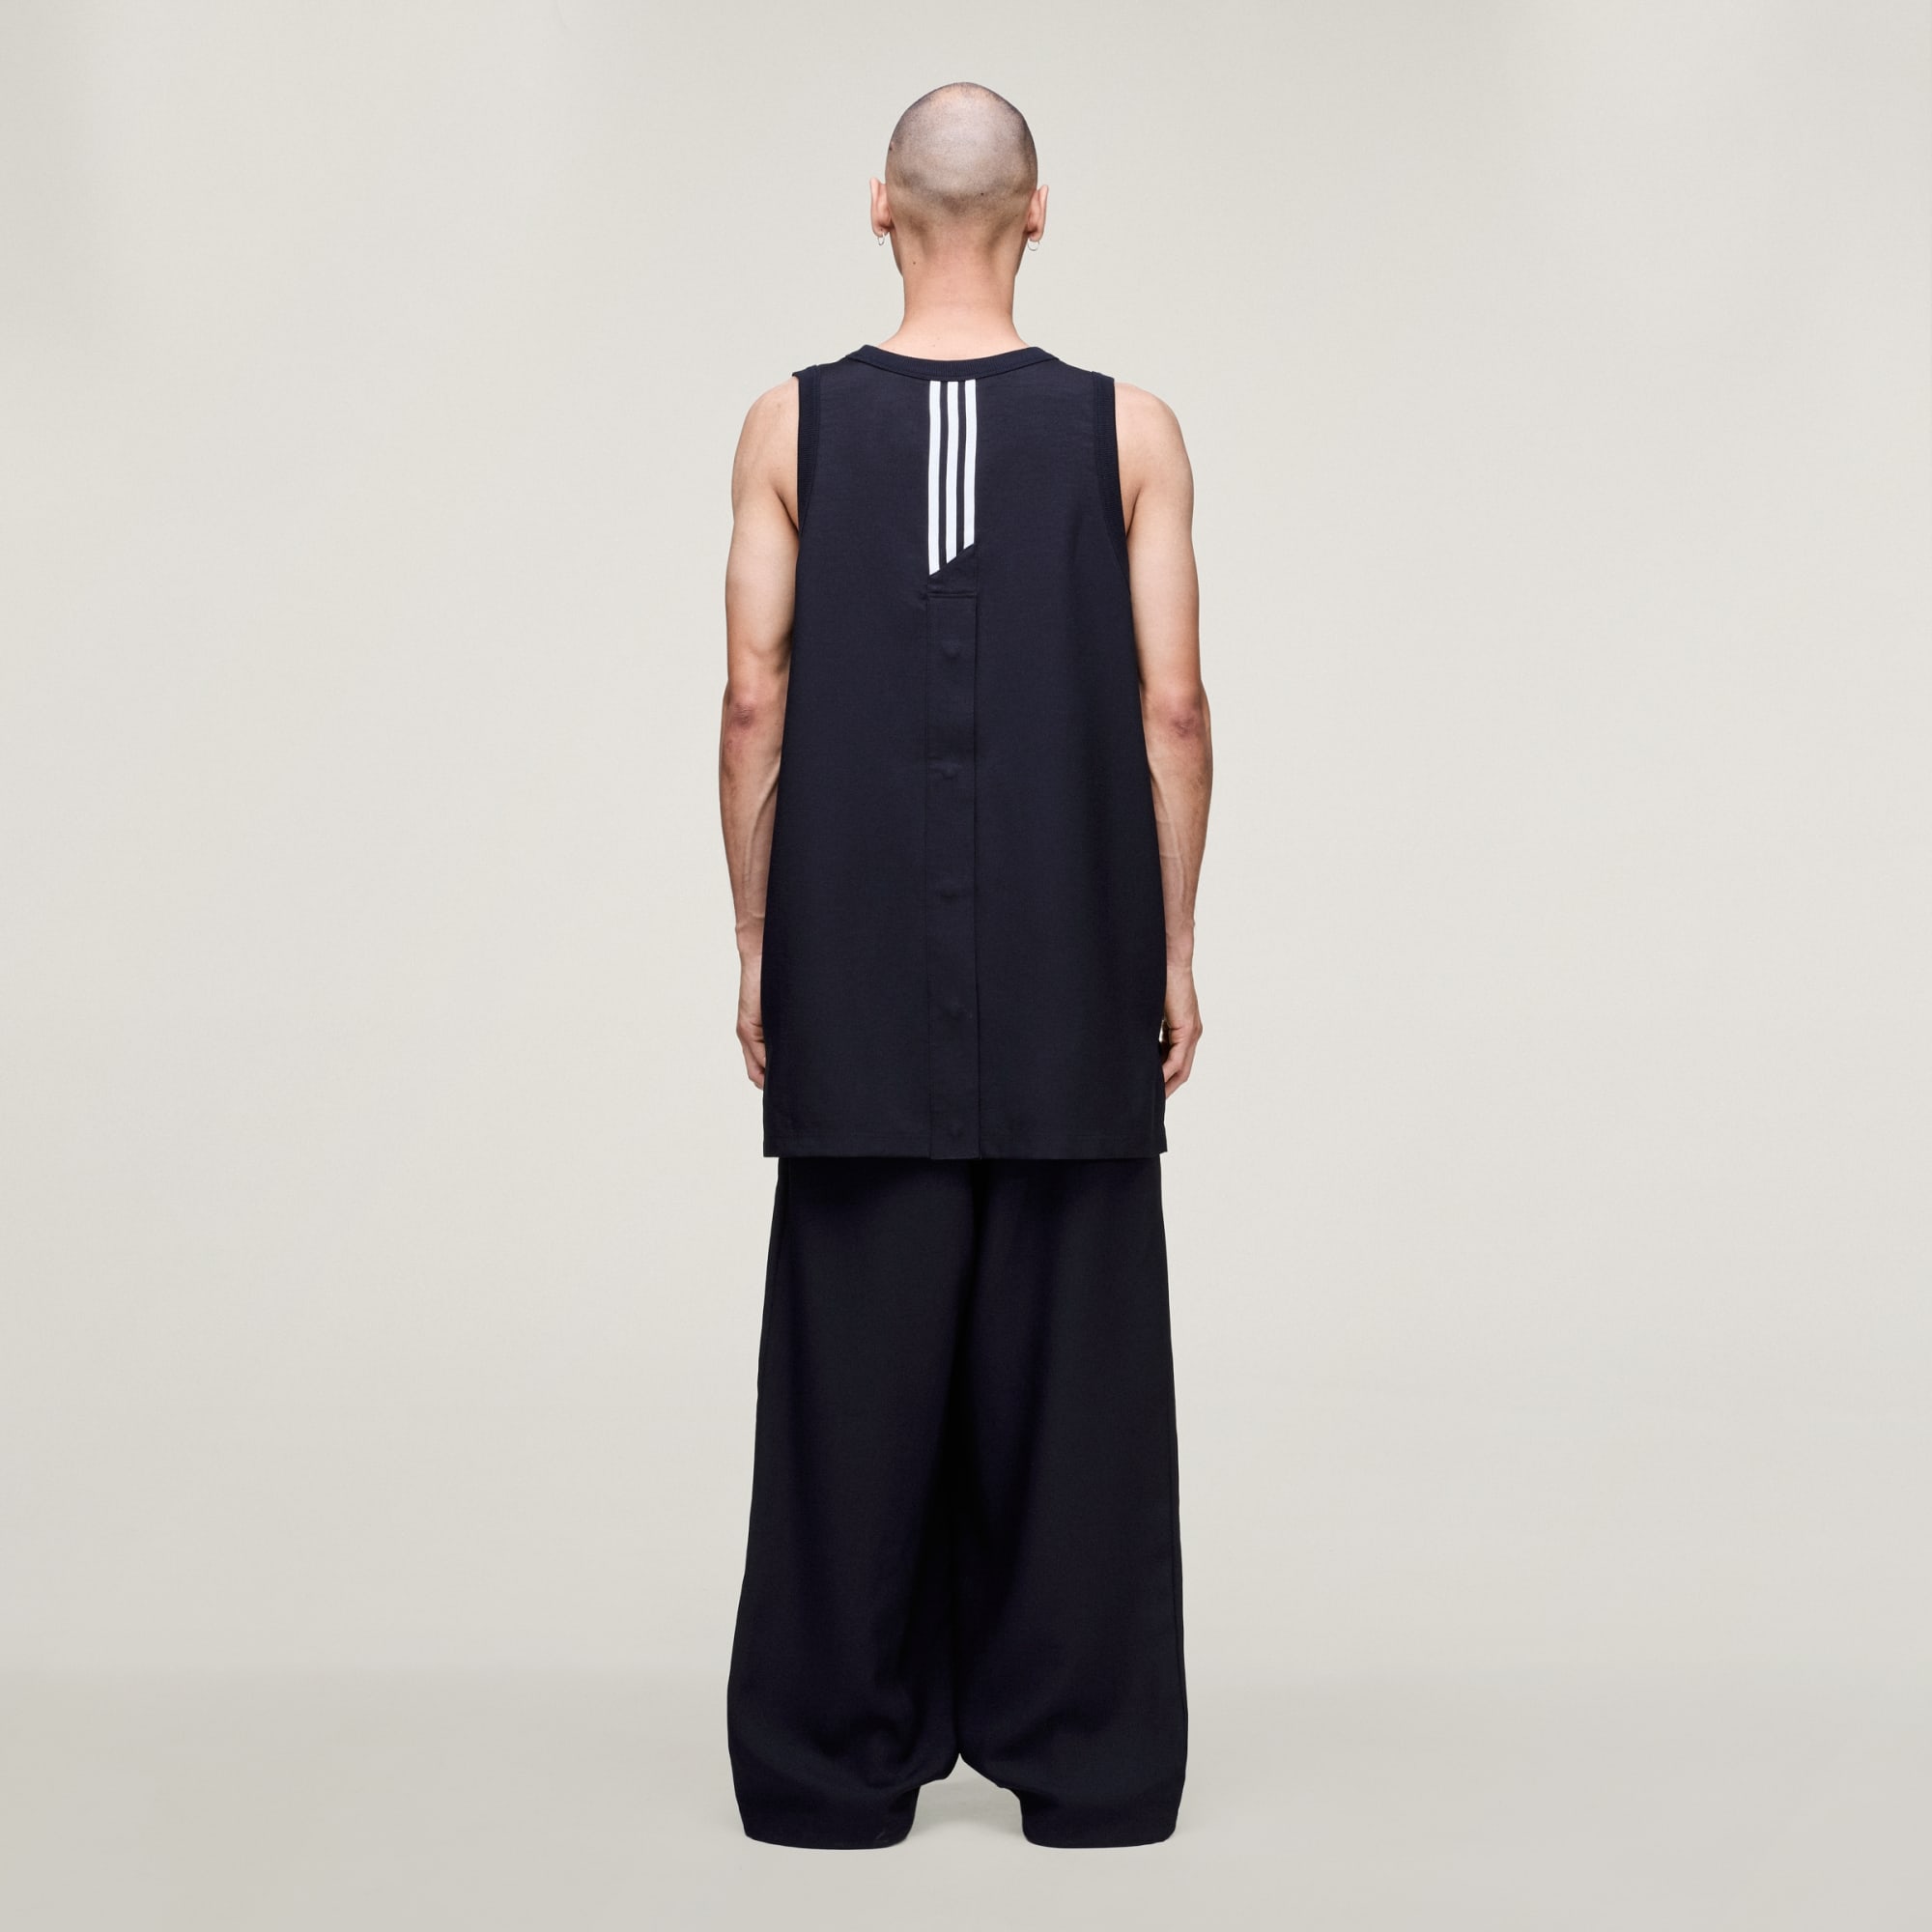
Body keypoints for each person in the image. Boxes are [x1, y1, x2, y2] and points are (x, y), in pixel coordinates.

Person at [717, 80, 1212, 1851]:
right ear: (1039, 213)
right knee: (1077, 1386)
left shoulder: (790, 424)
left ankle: (829, 1776)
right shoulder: (1130, 430)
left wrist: (760, 938)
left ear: (878, 206)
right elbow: (1171, 708)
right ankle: (1091, 1774)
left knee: (849, 1380)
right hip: (1077, 958)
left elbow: (756, 700)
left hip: (850, 960)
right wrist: (1170, 945)